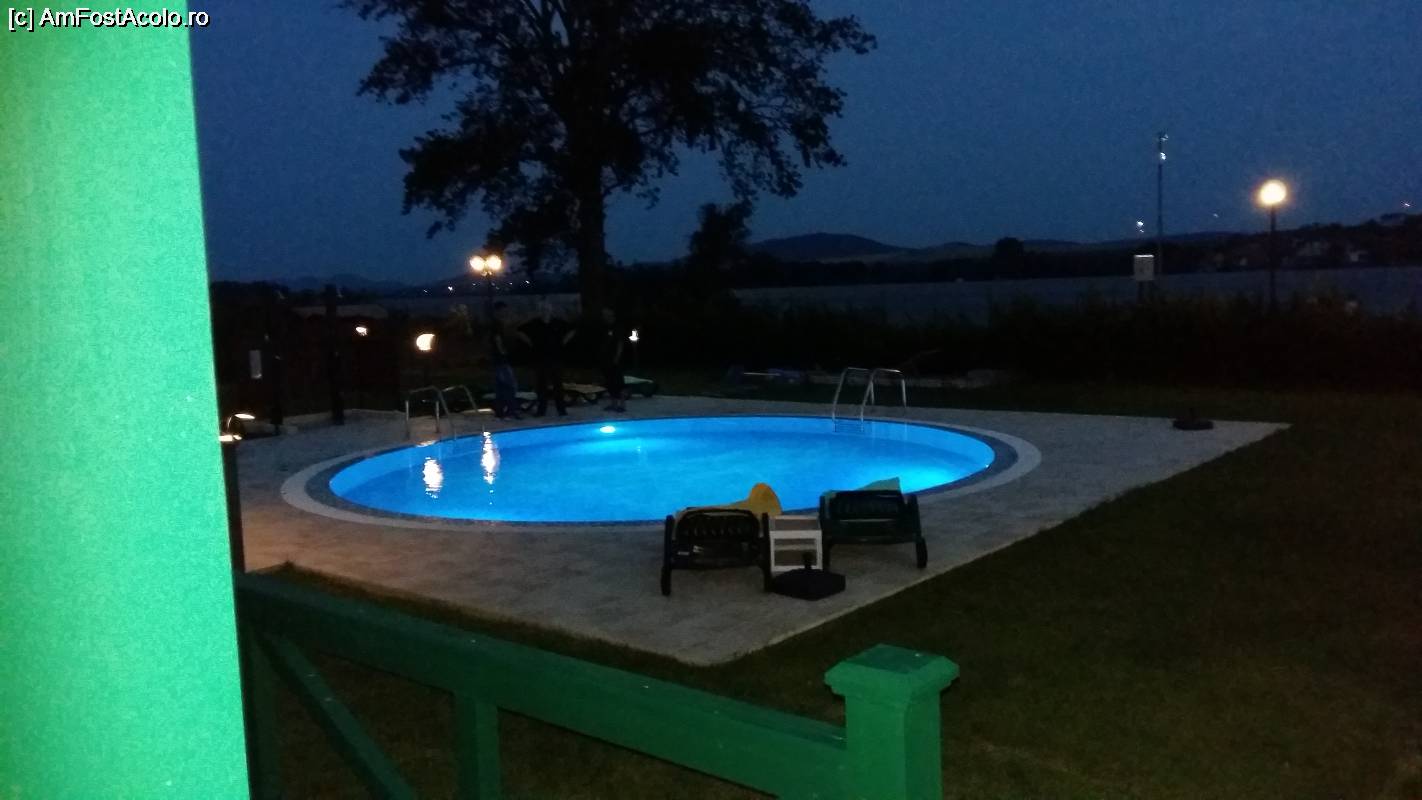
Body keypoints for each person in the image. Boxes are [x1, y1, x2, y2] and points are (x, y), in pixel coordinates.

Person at [516, 300, 575, 416]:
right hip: (540, 358)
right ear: (539, 311)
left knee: (558, 385)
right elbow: (519, 331)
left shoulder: (557, 322)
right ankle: (541, 410)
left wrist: (564, 341)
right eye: (543, 310)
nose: (545, 312)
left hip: (555, 357)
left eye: (547, 309)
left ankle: (561, 409)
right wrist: (529, 342)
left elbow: (572, 330)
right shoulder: (535, 323)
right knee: (541, 386)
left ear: (551, 310)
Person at [488, 302, 520, 419]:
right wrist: (503, 351)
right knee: (510, 385)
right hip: (500, 359)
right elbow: (497, 339)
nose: (506, 313)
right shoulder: (497, 324)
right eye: (504, 310)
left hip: (497, 359)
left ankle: (500, 411)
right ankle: (511, 410)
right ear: (499, 311)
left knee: (500, 386)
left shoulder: (496, 324)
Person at [599, 307, 627, 412]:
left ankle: (622, 405)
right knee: (610, 382)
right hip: (606, 360)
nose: (604, 317)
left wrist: (617, 358)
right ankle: (613, 403)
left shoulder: (617, 327)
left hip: (615, 360)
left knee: (619, 382)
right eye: (603, 315)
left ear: (611, 314)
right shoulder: (605, 327)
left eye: (606, 315)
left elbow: (620, 343)